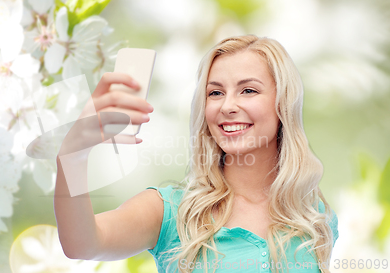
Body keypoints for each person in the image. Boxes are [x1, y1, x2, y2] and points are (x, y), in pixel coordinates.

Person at [53, 34, 339, 273]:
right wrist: (72, 155)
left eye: (248, 90)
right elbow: (82, 244)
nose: (227, 105)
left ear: (283, 104)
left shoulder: (314, 217)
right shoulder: (170, 212)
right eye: (215, 93)